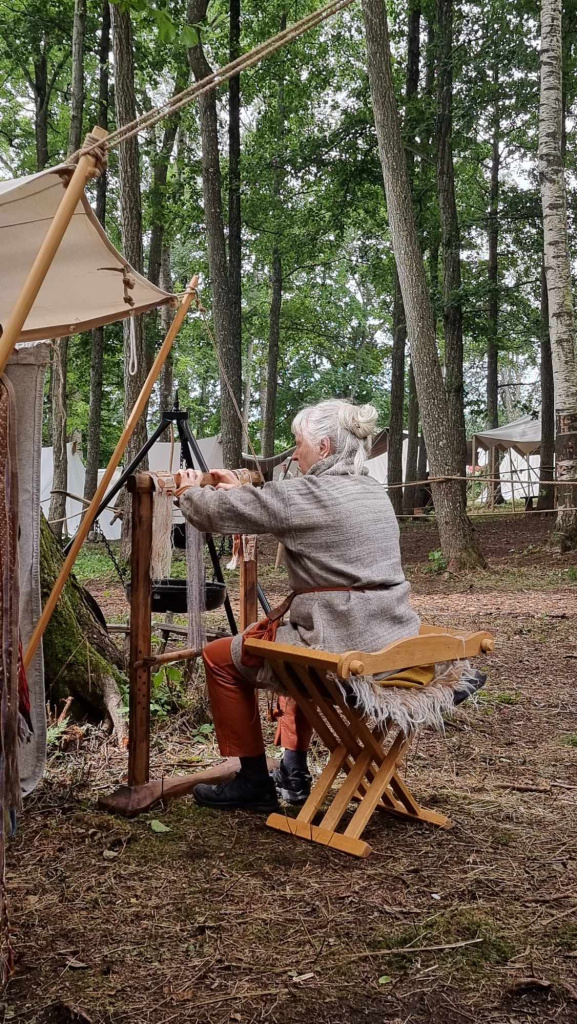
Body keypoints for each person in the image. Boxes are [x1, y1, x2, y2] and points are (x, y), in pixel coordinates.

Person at [176, 399, 421, 813]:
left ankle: (253, 779)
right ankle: (293, 768)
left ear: (323, 447)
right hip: (392, 639)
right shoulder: (371, 491)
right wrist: (244, 491)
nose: (294, 453)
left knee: (220, 657)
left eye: (298, 443)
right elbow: (279, 505)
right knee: (291, 652)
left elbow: (213, 512)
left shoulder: (305, 494)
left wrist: (188, 491)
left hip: (341, 647)